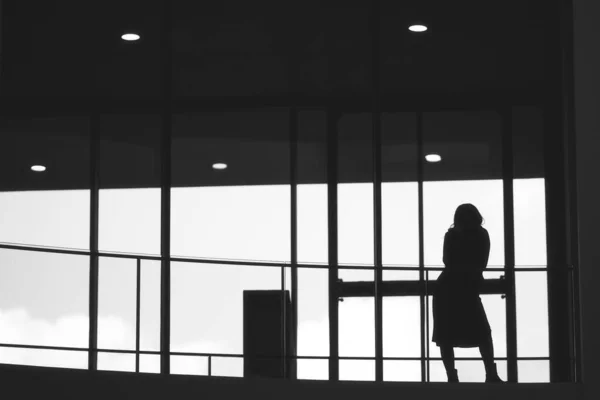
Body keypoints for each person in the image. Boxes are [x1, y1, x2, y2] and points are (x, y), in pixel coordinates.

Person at [432, 203, 504, 383]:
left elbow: (448, 261)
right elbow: (480, 262)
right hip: (464, 288)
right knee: (481, 332)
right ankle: (490, 374)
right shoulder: (480, 235)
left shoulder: (453, 236)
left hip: (448, 288)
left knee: (446, 335)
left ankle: (452, 377)